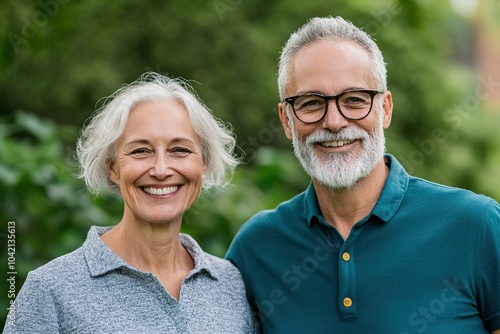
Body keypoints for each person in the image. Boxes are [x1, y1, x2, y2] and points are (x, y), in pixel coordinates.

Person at [226, 16, 500, 333]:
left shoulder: (475, 226)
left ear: (384, 109)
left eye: (354, 99)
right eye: (311, 103)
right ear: (287, 120)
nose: (333, 121)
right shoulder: (257, 248)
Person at [4, 72, 257, 333]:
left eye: (179, 150)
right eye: (140, 151)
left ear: (203, 164)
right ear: (112, 167)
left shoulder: (231, 284)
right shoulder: (49, 290)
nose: (160, 169)